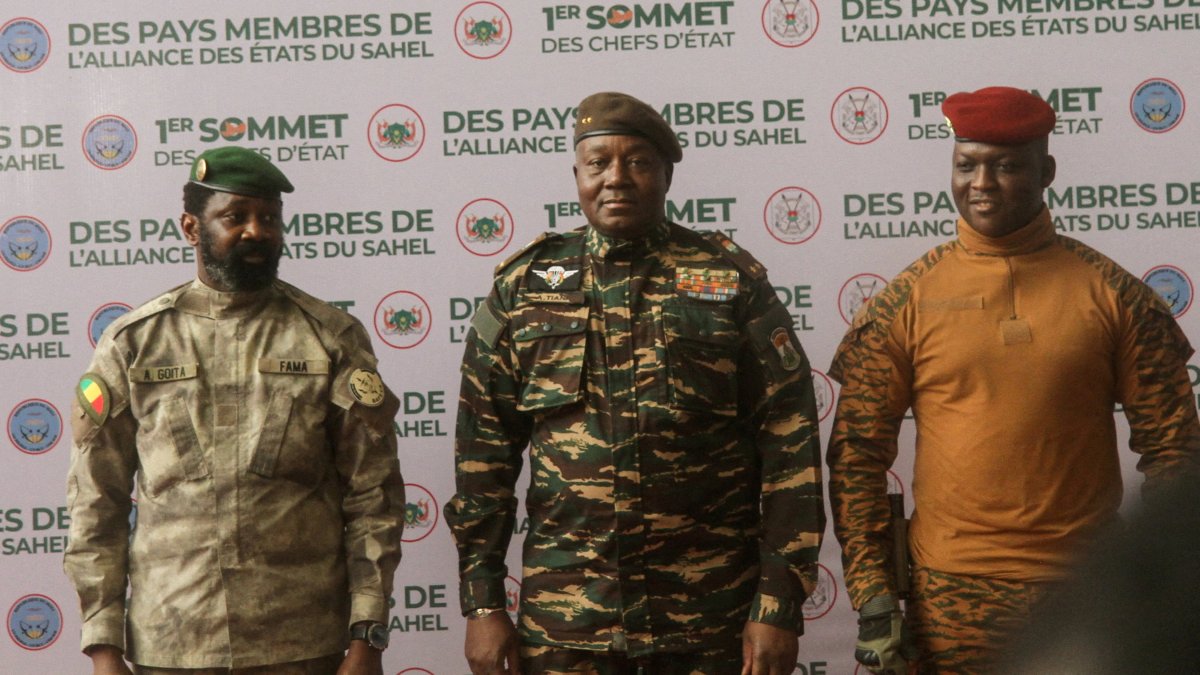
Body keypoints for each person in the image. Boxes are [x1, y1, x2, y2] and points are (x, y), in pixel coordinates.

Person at [445, 91, 825, 675]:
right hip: (568, 624)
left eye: (638, 162)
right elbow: (482, 455)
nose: (616, 178)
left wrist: (777, 601)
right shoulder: (525, 287)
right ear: (577, 173)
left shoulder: (729, 281)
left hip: (709, 621)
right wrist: (482, 602)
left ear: (666, 174)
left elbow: (789, 443)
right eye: (599, 162)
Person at [825, 86, 1200, 674]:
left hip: (1084, 597)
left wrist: (1159, 587)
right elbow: (856, 456)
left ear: (1045, 171)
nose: (982, 184)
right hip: (946, 599)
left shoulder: (1117, 297)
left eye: (1005, 166)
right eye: (966, 165)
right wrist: (874, 598)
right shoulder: (905, 302)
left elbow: (1176, 454)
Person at [64, 147, 405, 675]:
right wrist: (103, 648)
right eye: (235, 216)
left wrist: (368, 637)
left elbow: (373, 496)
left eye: (269, 218)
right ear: (192, 227)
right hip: (172, 642)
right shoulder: (135, 344)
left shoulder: (330, 338)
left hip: (302, 642)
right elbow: (96, 503)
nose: (255, 231)